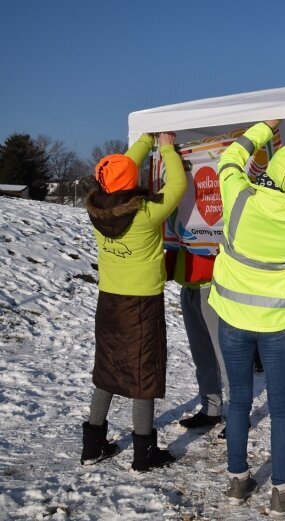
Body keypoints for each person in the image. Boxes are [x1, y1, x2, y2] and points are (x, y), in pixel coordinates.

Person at [207, 118, 285, 514]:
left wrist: (265, 128)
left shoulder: (238, 196)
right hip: (278, 326)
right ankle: (282, 492)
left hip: (233, 321)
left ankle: (238, 481)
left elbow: (230, 158)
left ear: (268, 171)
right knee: (281, 407)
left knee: (238, 401)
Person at [82, 131, 184, 471]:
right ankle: (144, 453)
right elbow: (178, 186)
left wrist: (145, 139)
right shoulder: (146, 213)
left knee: (107, 368)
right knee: (143, 371)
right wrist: (167, 148)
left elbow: (121, 170)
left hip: (109, 300)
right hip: (141, 303)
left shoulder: (97, 211)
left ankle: (92, 445)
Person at [174, 249, 229, 431]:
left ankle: (238, 415)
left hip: (212, 284)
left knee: (224, 355)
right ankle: (211, 409)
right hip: (189, 284)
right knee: (202, 355)